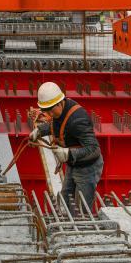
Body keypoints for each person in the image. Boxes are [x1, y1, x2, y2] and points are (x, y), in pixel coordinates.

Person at [29, 81, 103, 215]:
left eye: (52, 110)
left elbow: (94, 149)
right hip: (74, 163)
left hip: (87, 168)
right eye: (47, 111)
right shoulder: (60, 111)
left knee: (81, 209)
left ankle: (82, 229)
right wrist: (39, 130)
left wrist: (68, 153)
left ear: (60, 102)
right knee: (65, 199)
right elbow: (55, 125)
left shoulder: (78, 120)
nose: (50, 114)